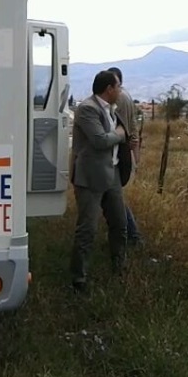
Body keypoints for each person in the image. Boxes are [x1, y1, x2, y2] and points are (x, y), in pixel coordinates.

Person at [69, 70, 136, 293]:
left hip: (112, 175)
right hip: (90, 178)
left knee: (120, 224)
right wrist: (120, 133)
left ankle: (119, 267)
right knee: (87, 229)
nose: (120, 90)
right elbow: (99, 141)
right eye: (118, 86)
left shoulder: (111, 110)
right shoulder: (87, 109)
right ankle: (79, 279)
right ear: (109, 89)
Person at [107, 67, 145, 247]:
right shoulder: (127, 96)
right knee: (115, 198)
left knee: (116, 200)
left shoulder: (118, 99)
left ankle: (132, 236)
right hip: (127, 150)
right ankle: (129, 236)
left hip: (120, 151)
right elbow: (134, 126)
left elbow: (115, 127)